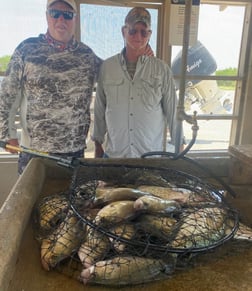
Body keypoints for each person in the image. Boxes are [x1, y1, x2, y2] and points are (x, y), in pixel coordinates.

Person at [0, 1, 153, 174]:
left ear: (74, 18)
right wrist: (7, 134)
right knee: (32, 201)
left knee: (72, 200)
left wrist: (138, 52)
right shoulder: (26, 49)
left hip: (75, 153)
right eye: (55, 13)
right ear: (46, 15)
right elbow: (6, 96)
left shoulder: (86, 55)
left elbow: (113, 72)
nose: (60, 19)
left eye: (67, 14)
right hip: (35, 153)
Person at [92, 7, 184, 158]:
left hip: (150, 158)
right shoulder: (107, 67)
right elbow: (100, 109)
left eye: (144, 31)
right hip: (115, 157)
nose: (138, 36)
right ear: (124, 31)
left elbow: (173, 113)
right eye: (133, 30)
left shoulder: (162, 69)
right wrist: (97, 145)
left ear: (149, 34)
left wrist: (180, 150)